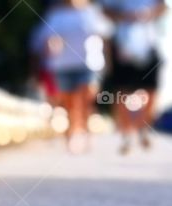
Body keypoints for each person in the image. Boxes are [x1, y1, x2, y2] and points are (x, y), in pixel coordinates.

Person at [32, 0, 113, 154]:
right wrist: (51, 47)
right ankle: (71, 135)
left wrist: (108, 61)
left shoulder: (93, 12)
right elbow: (48, 37)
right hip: (63, 65)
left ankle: (86, 131)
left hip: (89, 65)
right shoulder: (56, 14)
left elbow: (105, 37)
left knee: (86, 98)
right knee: (70, 103)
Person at [100, 0, 167, 155]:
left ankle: (143, 126)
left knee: (152, 92)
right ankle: (126, 134)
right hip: (123, 44)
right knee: (123, 93)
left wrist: (149, 14)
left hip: (149, 44)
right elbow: (104, 9)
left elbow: (165, 7)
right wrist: (124, 16)